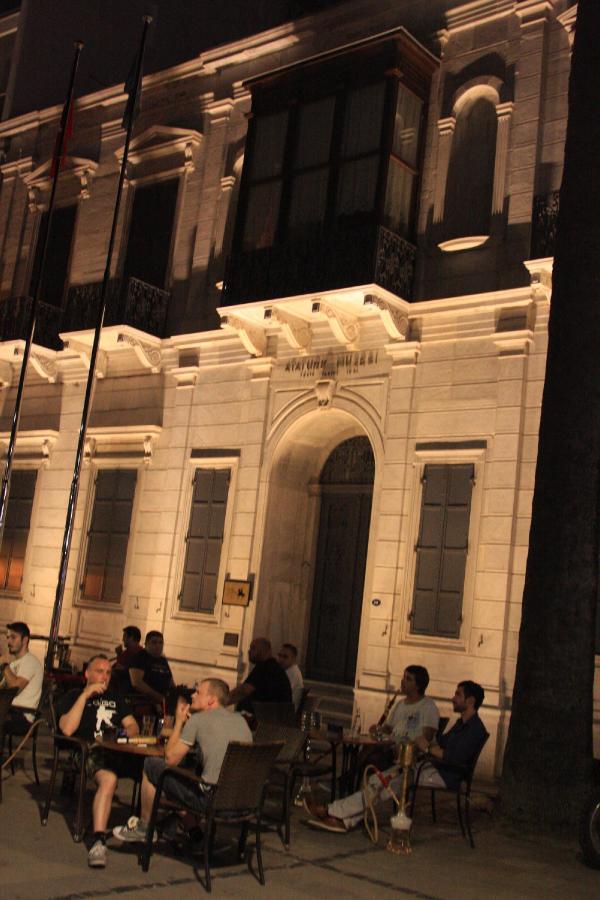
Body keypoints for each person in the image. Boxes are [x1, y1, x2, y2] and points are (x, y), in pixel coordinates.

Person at [305, 679, 486, 833]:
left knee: (386, 783)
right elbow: (441, 743)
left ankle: (333, 812)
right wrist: (430, 747)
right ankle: (344, 820)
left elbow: (451, 757)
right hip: (433, 767)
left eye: (458, 695)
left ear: (470, 701)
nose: (453, 698)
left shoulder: (474, 729)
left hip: (445, 774)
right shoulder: (461, 724)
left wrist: (427, 747)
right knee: (377, 780)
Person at [112, 677, 252, 844]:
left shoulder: (199, 720)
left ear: (211, 700)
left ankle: (144, 828)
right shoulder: (240, 721)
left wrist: (179, 722)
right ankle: (192, 830)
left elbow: (170, 759)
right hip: (244, 802)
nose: (192, 695)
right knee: (182, 775)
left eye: (198, 692)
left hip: (212, 801)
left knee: (152, 765)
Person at [56, 654, 139, 868]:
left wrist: (122, 733)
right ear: (87, 673)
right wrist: (85, 696)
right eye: (99, 671)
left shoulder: (116, 698)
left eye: (108, 673)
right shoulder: (74, 696)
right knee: (109, 779)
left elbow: (133, 726)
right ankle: (99, 841)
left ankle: (165, 827)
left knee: (156, 769)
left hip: (118, 750)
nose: (105, 676)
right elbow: (67, 729)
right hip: (89, 751)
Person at [228, 637, 292, 714]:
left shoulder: (266, 667)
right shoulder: (270, 666)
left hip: (267, 718)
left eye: (253, 648)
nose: (249, 651)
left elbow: (243, 690)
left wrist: (222, 701)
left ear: (264, 650)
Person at [1, 622, 43, 735]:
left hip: (21, 716)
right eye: (8, 637)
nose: (9, 642)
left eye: (13, 637)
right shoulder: (14, 664)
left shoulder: (31, 662)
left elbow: (14, 689)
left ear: (25, 640)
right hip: (7, 711)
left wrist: (4, 665)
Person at [128, 631, 174, 709]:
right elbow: (137, 683)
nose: (158, 645)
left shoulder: (163, 660)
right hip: (143, 702)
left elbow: (171, 682)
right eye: (154, 642)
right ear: (146, 644)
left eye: (160, 643)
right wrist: (159, 697)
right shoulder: (140, 657)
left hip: (163, 703)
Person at [111, 626, 142, 692]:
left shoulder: (134, 652)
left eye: (124, 636)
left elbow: (119, 669)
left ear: (131, 638)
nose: (123, 639)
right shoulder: (130, 651)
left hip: (124, 688)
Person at [277, 643, 304, 710]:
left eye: (285, 657)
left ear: (293, 659)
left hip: (285, 711)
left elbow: (280, 692)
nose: (281, 659)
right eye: (279, 655)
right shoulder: (285, 670)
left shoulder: (293, 672)